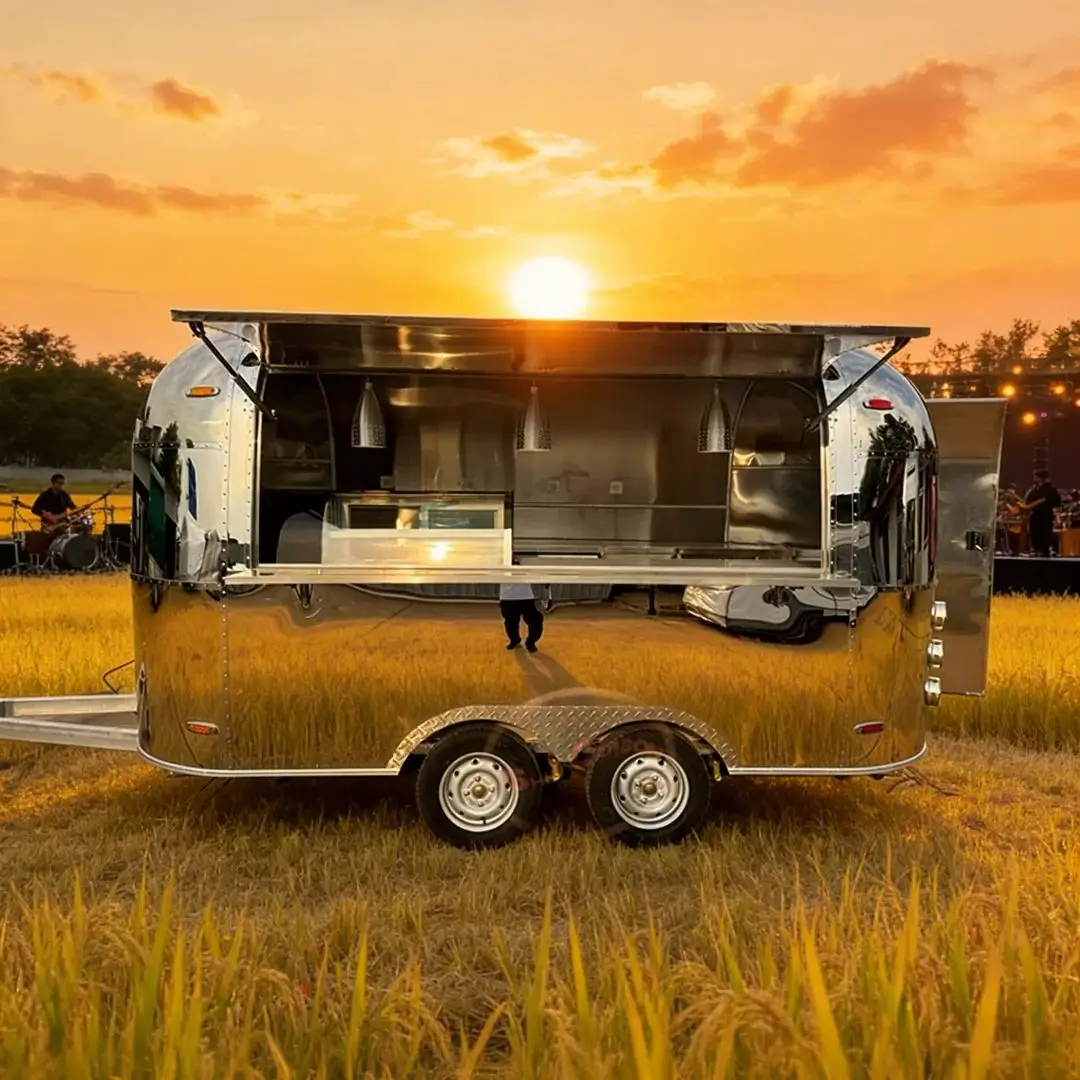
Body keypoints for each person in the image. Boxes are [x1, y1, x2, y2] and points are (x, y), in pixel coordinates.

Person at [499, 580, 546, 652]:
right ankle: (515, 641)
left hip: (526, 596)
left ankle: (530, 642)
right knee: (510, 621)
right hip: (507, 597)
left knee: (535, 620)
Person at [1023, 469, 1061, 558]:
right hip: (1034, 515)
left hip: (1045, 516)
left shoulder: (1049, 489)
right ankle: (1036, 550)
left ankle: (1044, 551)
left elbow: (1054, 502)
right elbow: (1028, 500)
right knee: (1034, 533)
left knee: (1044, 533)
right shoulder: (1034, 489)